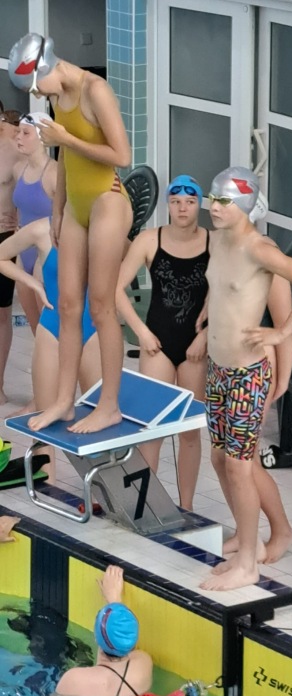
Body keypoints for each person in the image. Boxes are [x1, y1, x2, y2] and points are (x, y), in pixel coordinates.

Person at [200, 166, 292, 591]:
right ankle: (249, 537)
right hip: (218, 369)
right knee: (221, 460)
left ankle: (248, 565)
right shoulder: (218, 239)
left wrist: (281, 333)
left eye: (223, 201)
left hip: (247, 375)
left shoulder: (260, 249)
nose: (214, 207)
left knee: (240, 467)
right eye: (212, 199)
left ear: (245, 206)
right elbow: (222, 290)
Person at [9, 32, 133, 434]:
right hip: (76, 207)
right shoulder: (57, 97)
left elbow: (122, 155)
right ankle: (64, 401)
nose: (36, 94)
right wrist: (59, 209)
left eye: (35, 85)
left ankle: (109, 405)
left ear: (47, 67)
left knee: (101, 307)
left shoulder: (95, 91)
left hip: (107, 203)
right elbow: (65, 158)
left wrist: (66, 137)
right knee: (66, 305)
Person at [116, 175, 209, 511]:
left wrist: (205, 335)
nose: (183, 208)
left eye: (190, 202)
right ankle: (144, 506)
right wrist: (141, 332)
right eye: (176, 202)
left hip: (195, 348)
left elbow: (227, 292)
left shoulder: (214, 244)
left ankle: (187, 507)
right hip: (157, 342)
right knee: (151, 428)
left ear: (199, 205)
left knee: (189, 433)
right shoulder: (148, 240)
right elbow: (116, 289)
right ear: (168, 205)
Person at [0, 218, 101, 481]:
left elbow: (128, 261)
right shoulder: (40, 230)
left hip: (91, 329)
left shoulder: (100, 227)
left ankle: (103, 487)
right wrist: (33, 284)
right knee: (43, 419)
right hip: (52, 327)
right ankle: (47, 486)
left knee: (98, 417)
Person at [44, 565, 152, 696]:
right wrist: (115, 600)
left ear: (96, 637)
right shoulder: (143, 663)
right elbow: (124, 634)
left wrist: (112, 600)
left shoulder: (74, 679)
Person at [12, 112, 57, 334]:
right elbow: (21, 207)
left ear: (42, 137)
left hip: (46, 252)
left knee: (49, 327)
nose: (18, 137)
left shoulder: (55, 173)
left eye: (25, 133)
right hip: (24, 252)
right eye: (18, 132)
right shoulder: (18, 169)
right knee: (34, 328)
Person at [0, 104, 25, 405]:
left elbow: (38, 181)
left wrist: (22, 220)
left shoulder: (16, 141)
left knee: (1, 313)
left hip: (4, 236)